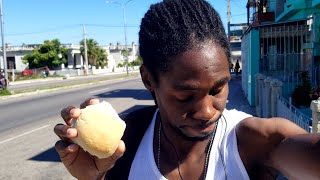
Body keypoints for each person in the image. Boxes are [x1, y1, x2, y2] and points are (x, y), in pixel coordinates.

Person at [54, 0, 320, 179]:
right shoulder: (124, 145)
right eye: (185, 96)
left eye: (218, 89)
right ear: (148, 80)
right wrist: (94, 177)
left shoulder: (251, 141)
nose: (206, 112)